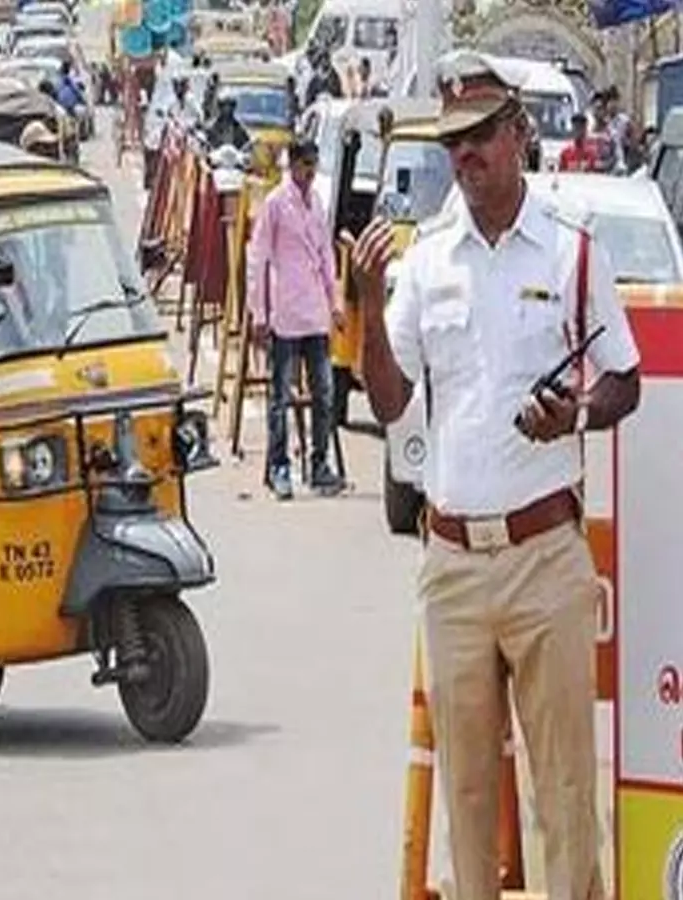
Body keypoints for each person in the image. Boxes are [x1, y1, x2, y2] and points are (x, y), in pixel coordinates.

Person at [350, 51, 641, 900]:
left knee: (564, 797)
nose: (466, 155)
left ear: (519, 136)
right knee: (467, 800)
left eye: (480, 135)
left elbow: (623, 377)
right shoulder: (428, 261)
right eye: (454, 142)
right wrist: (369, 308)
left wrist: (577, 414)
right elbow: (393, 399)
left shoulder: (571, 256)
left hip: (546, 555)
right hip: (452, 565)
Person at [245, 138, 344, 500]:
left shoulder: (316, 202)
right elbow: (258, 259)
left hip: (314, 313)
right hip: (284, 314)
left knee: (324, 392)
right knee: (280, 396)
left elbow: (326, 254)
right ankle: (279, 466)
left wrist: (335, 304)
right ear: (292, 165)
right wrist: (259, 312)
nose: (310, 174)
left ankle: (319, 464)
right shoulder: (275, 205)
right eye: (305, 166)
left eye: (314, 167)